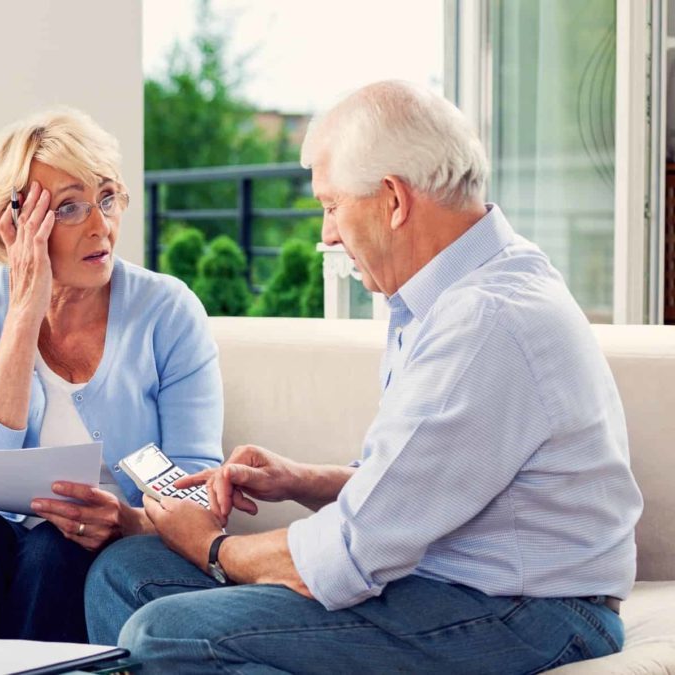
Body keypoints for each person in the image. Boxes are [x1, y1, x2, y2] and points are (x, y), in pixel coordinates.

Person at [84, 80, 644, 673]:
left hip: (530, 612)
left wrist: (209, 545)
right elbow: (415, 486)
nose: (326, 234)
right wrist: (300, 479)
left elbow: (352, 552)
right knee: (126, 573)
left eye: (331, 206)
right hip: (450, 583)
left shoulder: (485, 322)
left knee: (164, 632)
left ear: (394, 201)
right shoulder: (454, 294)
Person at [0, 108, 224, 643]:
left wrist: (126, 521)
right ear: (11, 227)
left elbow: (200, 494)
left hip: (110, 544)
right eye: (70, 208)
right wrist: (24, 313)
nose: (101, 226)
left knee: (57, 551)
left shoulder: (167, 309)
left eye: (107, 198)